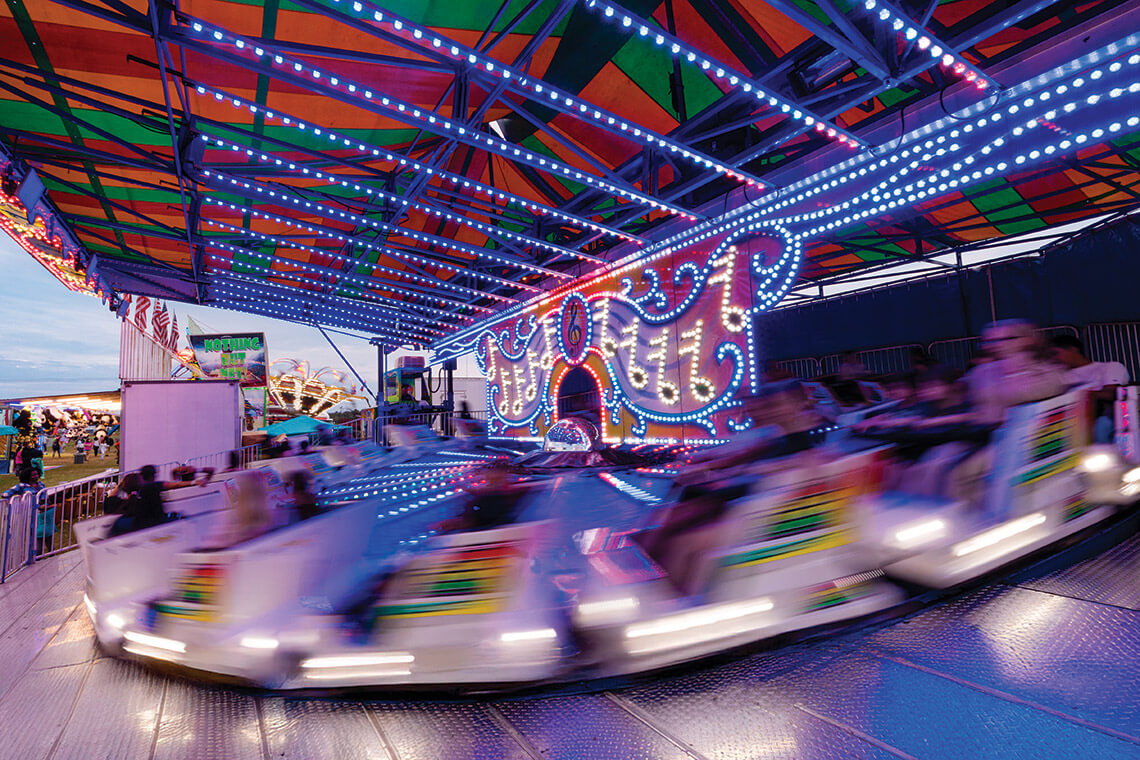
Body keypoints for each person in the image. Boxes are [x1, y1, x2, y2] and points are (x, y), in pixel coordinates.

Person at [1051, 334, 1129, 442]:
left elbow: (1112, 393)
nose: (1054, 359)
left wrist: (1085, 396)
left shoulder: (1109, 367)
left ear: (1073, 350)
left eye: (1056, 353)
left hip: (1101, 418)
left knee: (1102, 424)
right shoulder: (1058, 378)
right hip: (1065, 422)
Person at [434, 462, 531, 533]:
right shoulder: (494, 493)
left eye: (494, 479)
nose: (490, 481)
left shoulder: (494, 497)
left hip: (483, 531)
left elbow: (474, 520)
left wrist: (453, 524)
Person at [2, 468, 50, 554]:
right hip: (26, 513)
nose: (36, 476)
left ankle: (37, 553)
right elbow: (5, 494)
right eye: (33, 475)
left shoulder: (41, 485)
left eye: (37, 474)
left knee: (39, 533)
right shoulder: (21, 486)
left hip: (40, 513)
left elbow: (45, 497)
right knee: (27, 534)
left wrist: (44, 505)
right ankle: (25, 553)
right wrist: (16, 502)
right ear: (27, 476)